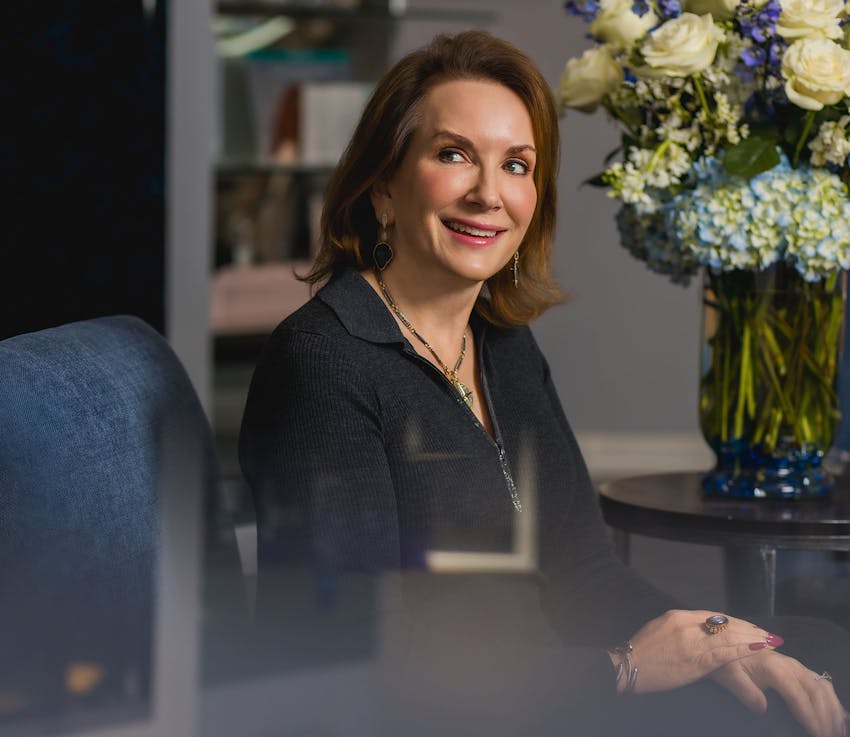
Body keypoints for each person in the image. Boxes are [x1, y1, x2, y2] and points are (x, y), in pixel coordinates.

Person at [239, 29, 850, 737]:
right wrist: (624, 669)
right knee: (776, 716)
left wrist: (714, 641)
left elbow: (585, 570)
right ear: (383, 188)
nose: (488, 194)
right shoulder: (322, 363)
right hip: (448, 717)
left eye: (516, 165)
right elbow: (360, 658)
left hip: (556, 680)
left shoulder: (500, 343)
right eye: (453, 154)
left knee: (817, 650)